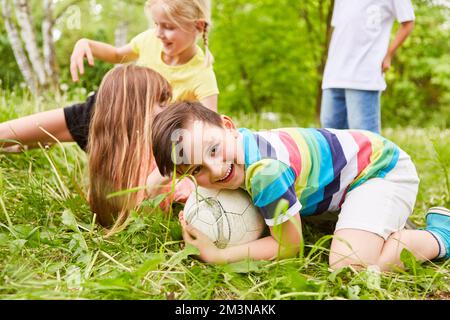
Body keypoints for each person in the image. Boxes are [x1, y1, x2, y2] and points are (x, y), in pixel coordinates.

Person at [151, 101, 450, 271]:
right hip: (350, 176)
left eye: (213, 150)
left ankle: (439, 237)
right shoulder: (237, 147)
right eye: (197, 169)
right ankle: (379, 224)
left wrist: (217, 256)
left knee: (349, 266)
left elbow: (289, 246)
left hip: (381, 170)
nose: (216, 170)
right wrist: (196, 206)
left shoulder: (266, 172)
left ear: (227, 126)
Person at [0, 0, 218, 231]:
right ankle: (30, 143)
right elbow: (115, 54)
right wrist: (86, 44)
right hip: (109, 109)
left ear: (198, 26)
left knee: (139, 197)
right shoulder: (148, 40)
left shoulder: (201, 74)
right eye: (156, 24)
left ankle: (37, 142)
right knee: (12, 133)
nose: (159, 33)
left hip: (140, 139)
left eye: (169, 27)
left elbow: (209, 129)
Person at [320, 0, 415, 134]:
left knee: (365, 138)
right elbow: (340, 28)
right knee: (330, 135)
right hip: (334, 74)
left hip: (364, 74)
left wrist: (389, 54)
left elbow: (408, 21)